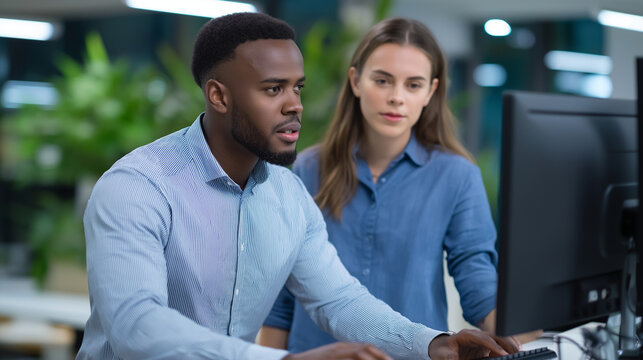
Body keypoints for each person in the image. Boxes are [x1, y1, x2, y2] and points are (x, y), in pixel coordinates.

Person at [77, 12, 518, 360]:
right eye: (273, 90)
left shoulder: (288, 196)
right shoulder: (138, 188)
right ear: (219, 95)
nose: (295, 106)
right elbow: (136, 327)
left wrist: (433, 343)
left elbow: (341, 301)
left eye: (297, 88)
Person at [260, 17, 520, 352]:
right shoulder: (307, 169)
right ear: (355, 81)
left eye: (413, 85)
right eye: (382, 81)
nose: (396, 97)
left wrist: (521, 329)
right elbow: (283, 293)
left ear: (431, 91)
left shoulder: (457, 176)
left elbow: (476, 278)